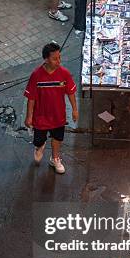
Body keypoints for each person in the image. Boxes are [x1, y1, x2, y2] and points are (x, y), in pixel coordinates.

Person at [24, 42, 78, 174]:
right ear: (46, 59)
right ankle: (40, 146)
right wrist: (29, 116)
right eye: (55, 59)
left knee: (57, 138)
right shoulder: (36, 75)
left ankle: (55, 158)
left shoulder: (64, 74)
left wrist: (75, 110)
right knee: (38, 140)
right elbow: (31, 98)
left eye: (59, 58)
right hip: (40, 116)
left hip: (58, 115)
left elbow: (71, 93)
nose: (58, 61)